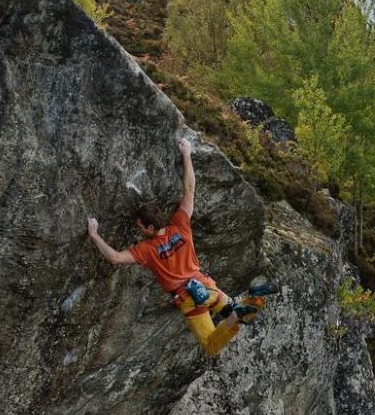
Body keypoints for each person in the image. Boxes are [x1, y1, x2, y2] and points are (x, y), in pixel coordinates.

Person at [87, 137, 278, 357]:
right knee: (239, 312)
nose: (138, 228)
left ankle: (236, 313)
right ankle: (252, 298)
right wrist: (187, 153)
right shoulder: (180, 224)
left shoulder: (147, 249)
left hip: (189, 297)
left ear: (150, 228)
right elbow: (189, 189)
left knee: (211, 348)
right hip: (205, 284)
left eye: (140, 226)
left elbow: (115, 258)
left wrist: (94, 235)